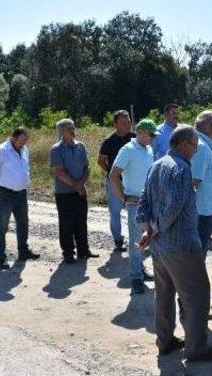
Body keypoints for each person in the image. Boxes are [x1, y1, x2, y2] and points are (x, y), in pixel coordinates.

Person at [136, 125, 212, 362]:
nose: (195, 151)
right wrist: (153, 228)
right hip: (181, 246)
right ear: (184, 144)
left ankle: (165, 341)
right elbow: (172, 209)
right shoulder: (181, 169)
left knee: (164, 294)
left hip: (159, 245)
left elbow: (144, 201)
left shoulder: (157, 164)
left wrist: (147, 228)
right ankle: (196, 348)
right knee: (197, 295)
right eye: (195, 146)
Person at [110, 119, 157, 294]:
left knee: (148, 238)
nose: (152, 139)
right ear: (141, 133)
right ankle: (136, 276)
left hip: (150, 200)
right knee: (136, 240)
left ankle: (141, 271)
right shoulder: (128, 149)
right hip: (135, 201)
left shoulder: (148, 148)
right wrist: (123, 198)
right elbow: (113, 175)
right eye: (150, 135)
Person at [0, 127, 40, 269]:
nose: (23, 143)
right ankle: (1, 258)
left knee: (23, 223)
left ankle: (23, 252)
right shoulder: (0, 151)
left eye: (25, 140)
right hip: (5, 194)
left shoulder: (24, 149)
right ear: (13, 138)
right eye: (21, 140)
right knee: (2, 225)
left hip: (21, 193)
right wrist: (1, 188)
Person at [50, 119, 99, 264]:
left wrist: (81, 184)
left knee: (81, 221)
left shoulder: (81, 146)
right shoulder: (56, 149)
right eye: (68, 128)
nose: (72, 129)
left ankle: (83, 250)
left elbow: (87, 168)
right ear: (61, 131)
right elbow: (59, 171)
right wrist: (75, 185)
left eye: (72, 127)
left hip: (80, 191)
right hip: (63, 193)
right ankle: (68, 253)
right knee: (66, 223)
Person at [97, 110, 136, 253]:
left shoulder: (135, 138)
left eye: (129, 122)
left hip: (133, 181)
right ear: (116, 125)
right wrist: (111, 173)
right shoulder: (109, 141)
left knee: (135, 210)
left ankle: (137, 238)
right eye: (124, 123)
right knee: (115, 212)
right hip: (115, 182)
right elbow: (100, 161)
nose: (128, 125)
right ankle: (118, 240)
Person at [191, 111, 212, 255]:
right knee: (200, 249)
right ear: (210, 127)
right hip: (201, 209)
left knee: (201, 247)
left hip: (203, 208)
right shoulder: (202, 147)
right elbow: (194, 181)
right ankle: (196, 277)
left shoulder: (201, 144)